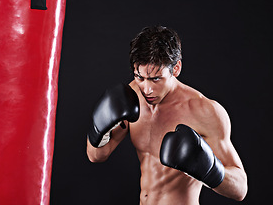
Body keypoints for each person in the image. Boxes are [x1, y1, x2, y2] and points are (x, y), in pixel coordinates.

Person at [86, 26, 248, 205]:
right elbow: (96, 155)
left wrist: (209, 169)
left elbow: (240, 189)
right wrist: (99, 129)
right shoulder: (131, 96)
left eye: (156, 79)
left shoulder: (204, 111)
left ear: (176, 68)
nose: (147, 89)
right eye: (140, 77)